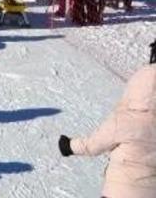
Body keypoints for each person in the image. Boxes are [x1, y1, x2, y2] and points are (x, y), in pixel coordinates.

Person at [58, 63, 156, 198]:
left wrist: (69, 146)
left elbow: (93, 145)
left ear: (135, 88)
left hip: (118, 192)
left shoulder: (123, 121)